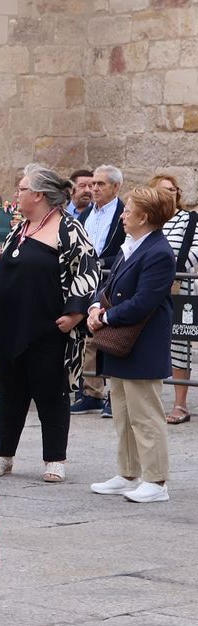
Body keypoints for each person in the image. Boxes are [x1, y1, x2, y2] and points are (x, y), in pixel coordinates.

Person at [0, 166, 99, 483]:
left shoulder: (68, 229)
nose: (17, 193)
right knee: (10, 394)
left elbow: (88, 271)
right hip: (12, 326)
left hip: (48, 328)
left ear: (38, 194)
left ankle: (54, 458)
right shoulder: (20, 228)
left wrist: (76, 313)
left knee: (50, 393)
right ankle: (3, 455)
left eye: (22, 188)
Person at [88, 186, 178, 504]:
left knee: (145, 414)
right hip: (123, 344)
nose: (123, 215)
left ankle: (156, 480)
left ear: (144, 216)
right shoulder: (134, 246)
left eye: (128, 210)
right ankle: (128, 472)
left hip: (143, 343)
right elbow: (111, 286)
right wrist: (96, 308)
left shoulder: (158, 252)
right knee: (124, 413)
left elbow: (144, 302)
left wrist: (106, 318)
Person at [73, 165, 126, 414]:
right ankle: (91, 392)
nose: (94, 189)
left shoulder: (124, 212)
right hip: (85, 280)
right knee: (88, 336)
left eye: (100, 184)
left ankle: (113, 396)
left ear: (116, 187)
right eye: (93, 184)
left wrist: (101, 263)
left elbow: (128, 248)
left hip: (112, 281)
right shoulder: (86, 214)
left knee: (112, 336)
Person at [152, 172, 197, 423]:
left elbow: (195, 251)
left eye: (173, 189)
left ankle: (180, 404)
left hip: (179, 288)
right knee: (151, 342)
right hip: (148, 289)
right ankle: (153, 402)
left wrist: (164, 273)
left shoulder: (190, 220)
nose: (170, 193)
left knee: (179, 345)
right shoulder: (149, 219)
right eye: (164, 189)